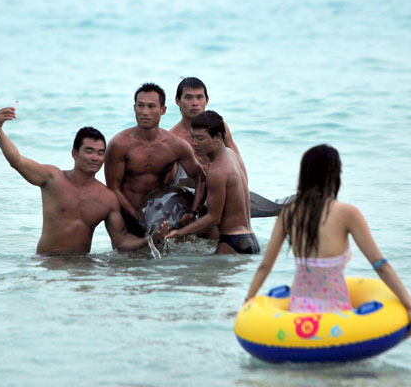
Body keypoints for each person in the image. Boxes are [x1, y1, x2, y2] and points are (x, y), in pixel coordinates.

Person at [244, 144, 411, 318]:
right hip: (336, 316)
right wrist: (408, 303)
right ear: (335, 175)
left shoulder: (289, 213)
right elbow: (379, 264)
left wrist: (248, 301)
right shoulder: (347, 213)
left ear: (304, 175)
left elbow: (265, 266)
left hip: (298, 314)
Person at [0, 106, 163, 255]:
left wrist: (150, 240)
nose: (95, 158)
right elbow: (17, 161)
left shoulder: (107, 198)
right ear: (75, 154)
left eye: (100, 152)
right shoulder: (52, 179)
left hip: (82, 266)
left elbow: (121, 241)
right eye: (89, 151)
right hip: (48, 263)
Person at [104, 82, 206, 237]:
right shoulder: (119, 144)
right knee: (127, 261)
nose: (145, 112)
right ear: (134, 108)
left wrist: (192, 213)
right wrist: (138, 219)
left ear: (163, 110)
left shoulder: (175, 145)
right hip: (127, 220)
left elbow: (201, 178)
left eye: (151, 106)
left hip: (160, 219)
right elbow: (113, 188)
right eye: (140, 106)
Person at [165, 110, 259, 254]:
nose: (194, 144)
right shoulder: (232, 155)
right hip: (249, 237)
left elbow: (213, 218)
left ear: (218, 137)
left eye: (200, 139)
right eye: (192, 138)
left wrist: (178, 233)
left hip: (231, 242)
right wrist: (193, 212)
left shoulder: (217, 170)